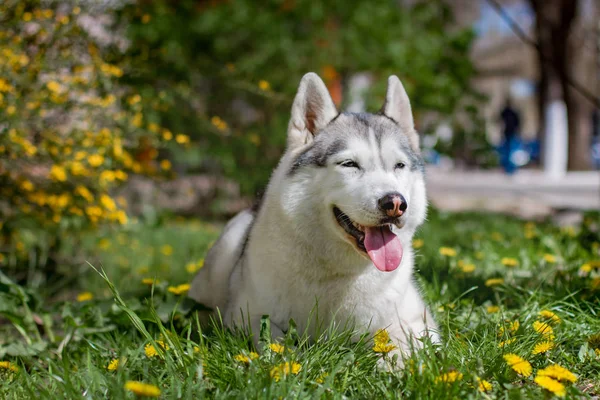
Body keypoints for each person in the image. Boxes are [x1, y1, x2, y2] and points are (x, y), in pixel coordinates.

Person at [499, 98, 521, 174]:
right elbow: (500, 121)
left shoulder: (512, 113)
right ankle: (507, 168)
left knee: (511, 151)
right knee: (507, 151)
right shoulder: (505, 112)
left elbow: (518, 123)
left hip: (512, 133)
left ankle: (511, 169)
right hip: (507, 133)